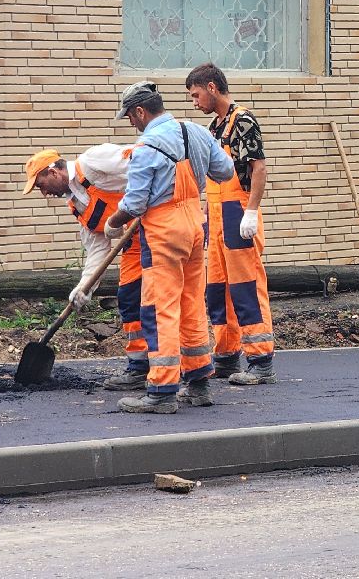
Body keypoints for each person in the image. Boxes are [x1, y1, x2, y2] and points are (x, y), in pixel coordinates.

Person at [102, 80, 234, 414]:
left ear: (140, 112)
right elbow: (226, 170)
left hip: (164, 232)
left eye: (130, 117)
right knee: (192, 304)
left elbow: (135, 203)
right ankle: (199, 384)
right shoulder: (196, 132)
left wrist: (113, 223)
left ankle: (161, 391)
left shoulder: (146, 147)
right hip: (195, 226)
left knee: (159, 307)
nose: (131, 123)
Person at [22, 144, 149, 390]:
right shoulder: (77, 206)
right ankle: (140, 367)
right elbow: (97, 249)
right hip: (134, 245)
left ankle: (167, 365)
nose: (44, 193)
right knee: (129, 299)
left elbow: (145, 162)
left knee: (153, 301)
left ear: (53, 172)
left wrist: (133, 209)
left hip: (155, 230)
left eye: (41, 185)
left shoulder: (92, 163)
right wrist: (84, 288)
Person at [185, 63, 276, 386]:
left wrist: (251, 211)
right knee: (218, 289)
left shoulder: (243, 121)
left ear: (212, 87)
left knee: (246, 286)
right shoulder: (215, 127)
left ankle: (261, 360)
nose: (194, 102)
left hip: (238, 213)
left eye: (196, 95)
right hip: (216, 215)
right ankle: (226, 355)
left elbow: (259, 168)